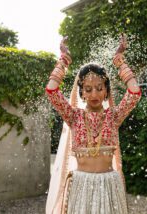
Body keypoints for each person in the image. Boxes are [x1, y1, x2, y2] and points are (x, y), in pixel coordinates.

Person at [45, 34, 141, 214]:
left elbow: (134, 93)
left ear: (106, 91)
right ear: (81, 93)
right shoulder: (73, 116)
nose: (94, 94)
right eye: (88, 89)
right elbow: (51, 91)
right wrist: (63, 61)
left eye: (99, 88)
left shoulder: (113, 117)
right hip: (82, 185)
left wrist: (120, 61)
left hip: (109, 184)